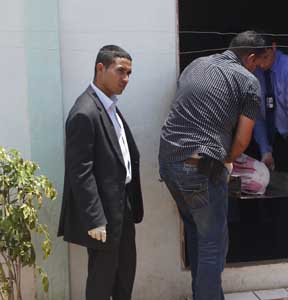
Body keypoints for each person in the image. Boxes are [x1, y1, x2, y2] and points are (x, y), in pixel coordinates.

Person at [158, 31, 269, 300]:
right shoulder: (248, 81)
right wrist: (228, 161)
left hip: (168, 162)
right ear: (250, 57)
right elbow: (243, 139)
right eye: (256, 63)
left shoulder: (196, 65)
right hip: (201, 167)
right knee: (212, 244)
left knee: (197, 232)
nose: (256, 69)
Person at [58, 45, 144, 300]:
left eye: (129, 73)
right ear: (100, 69)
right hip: (103, 214)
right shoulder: (85, 112)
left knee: (125, 273)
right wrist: (95, 218)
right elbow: (80, 171)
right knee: (102, 279)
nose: (126, 79)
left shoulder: (109, 107)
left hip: (122, 207)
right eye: (120, 71)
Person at [252, 36, 288, 179]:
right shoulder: (255, 72)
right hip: (271, 138)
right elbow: (256, 114)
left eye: (266, 57)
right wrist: (265, 150)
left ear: (274, 47)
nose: (262, 65)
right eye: (259, 60)